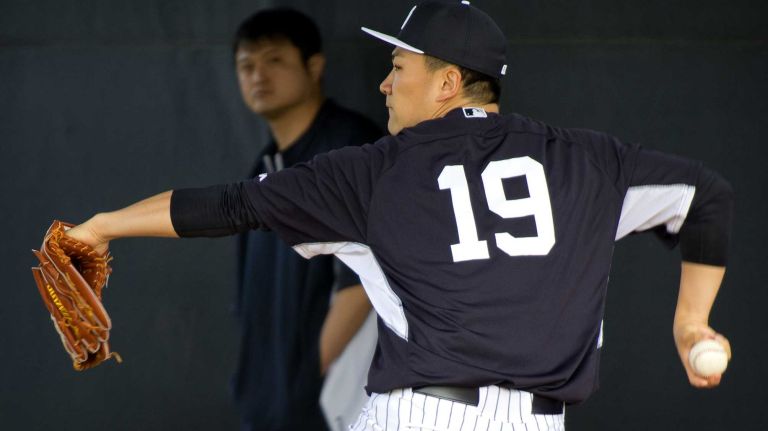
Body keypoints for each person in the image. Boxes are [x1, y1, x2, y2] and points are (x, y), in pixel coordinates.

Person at [64, 1, 733, 430]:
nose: (385, 82)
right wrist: (691, 323)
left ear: (447, 83)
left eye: (397, 65)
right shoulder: (590, 159)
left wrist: (103, 223)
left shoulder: (372, 170)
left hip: (419, 415)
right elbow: (705, 196)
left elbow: (231, 204)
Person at [229, 8, 381, 430]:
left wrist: (304, 378)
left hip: (332, 404)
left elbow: (363, 284)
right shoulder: (264, 165)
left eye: (274, 60)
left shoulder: (351, 149)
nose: (258, 75)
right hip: (272, 401)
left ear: (314, 66)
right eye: (246, 65)